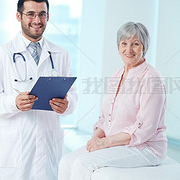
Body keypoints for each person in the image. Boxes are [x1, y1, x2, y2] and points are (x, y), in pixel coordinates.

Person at [0, 0, 78, 180]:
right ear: (19, 16)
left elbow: (72, 95)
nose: (37, 20)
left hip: (48, 145)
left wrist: (67, 104)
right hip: (15, 147)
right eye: (31, 14)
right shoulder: (1, 54)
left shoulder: (61, 54)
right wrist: (13, 103)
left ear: (48, 17)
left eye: (42, 14)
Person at [58, 22, 167, 180]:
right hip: (116, 143)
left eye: (135, 44)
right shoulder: (116, 76)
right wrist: (96, 137)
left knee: (82, 163)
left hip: (145, 147)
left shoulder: (152, 78)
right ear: (118, 46)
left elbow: (145, 128)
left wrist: (105, 143)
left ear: (145, 47)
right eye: (124, 43)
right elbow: (105, 119)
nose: (128, 49)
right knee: (66, 162)